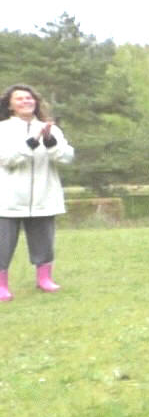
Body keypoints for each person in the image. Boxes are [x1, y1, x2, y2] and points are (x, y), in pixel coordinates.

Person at [0, 84, 74, 301]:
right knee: (3, 242)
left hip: (44, 195)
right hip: (8, 198)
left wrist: (50, 142)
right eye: (20, 99)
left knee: (44, 240)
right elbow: (6, 159)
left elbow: (67, 157)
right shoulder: (2, 129)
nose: (26, 101)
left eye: (29, 98)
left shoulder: (50, 128)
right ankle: (2, 284)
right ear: (10, 105)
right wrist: (31, 143)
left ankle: (44, 278)